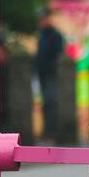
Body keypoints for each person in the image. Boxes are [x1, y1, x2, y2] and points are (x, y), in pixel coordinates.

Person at [35, 9, 66, 143]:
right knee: (46, 103)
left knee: (51, 102)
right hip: (43, 74)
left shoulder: (55, 35)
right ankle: (47, 131)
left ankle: (52, 132)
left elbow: (58, 55)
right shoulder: (42, 35)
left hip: (52, 74)